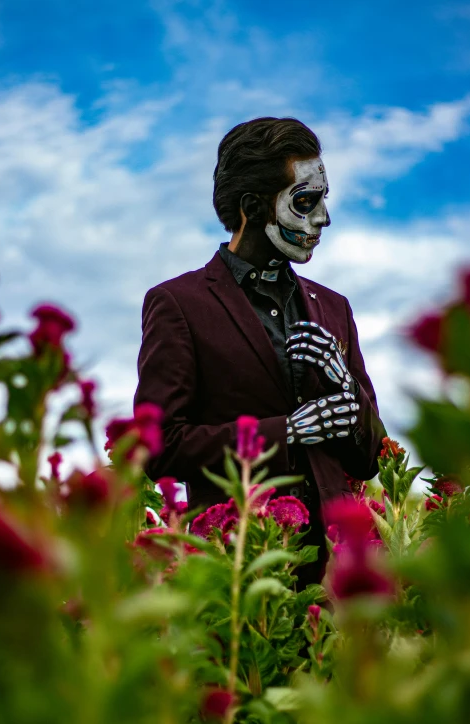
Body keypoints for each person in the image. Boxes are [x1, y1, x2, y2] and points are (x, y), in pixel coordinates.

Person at [134, 117, 386, 586]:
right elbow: (158, 447)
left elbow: (371, 457)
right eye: (306, 202)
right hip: (239, 575)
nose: (323, 218)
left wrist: (342, 379)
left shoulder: (335, 308)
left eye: (323, 199)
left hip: (340, 574)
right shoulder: (178, 304)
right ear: (252, 206)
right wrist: (285, 433)